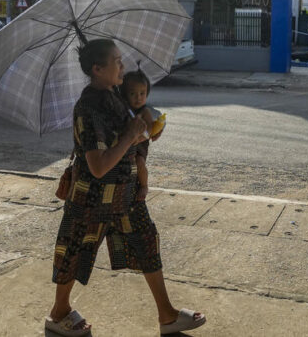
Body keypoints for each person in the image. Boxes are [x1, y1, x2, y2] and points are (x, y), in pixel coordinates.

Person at [46, 39, 205, 336]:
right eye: (116, 61)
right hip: (92, 196)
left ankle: (167, 315)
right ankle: (58, 313)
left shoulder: (114, 96)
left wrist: (147, 131)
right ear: (97, 69)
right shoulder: (88, 108)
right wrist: (131, 134)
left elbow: (130, 136)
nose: (123, 66)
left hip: (126, 193)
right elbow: (98, 166)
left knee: (146, 242)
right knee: (76, 250)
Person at [120, 69, 162, 203]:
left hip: (140, 143)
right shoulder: (124, 109)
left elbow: (149, 129)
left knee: (139, 162)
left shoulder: (145, 111)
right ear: (125, 95)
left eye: (142, 93)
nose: (138, 97)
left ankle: (144, 185)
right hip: (127, 142)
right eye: (133, 94)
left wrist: (139, 138)